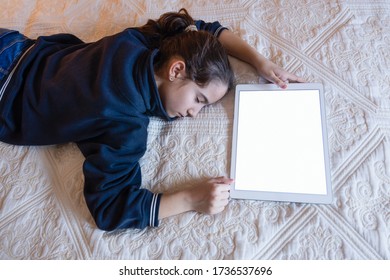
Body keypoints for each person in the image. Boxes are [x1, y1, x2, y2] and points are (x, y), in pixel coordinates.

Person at [0, 9, 303, 231]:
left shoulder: (144, 43)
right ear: (176, 70)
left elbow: (201, 31)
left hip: (16, 47)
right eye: (199, 100)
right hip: (6, 94)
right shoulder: (125, 123)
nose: (194, 115)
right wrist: (190, 199)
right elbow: (108, 208)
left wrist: (259, 60)